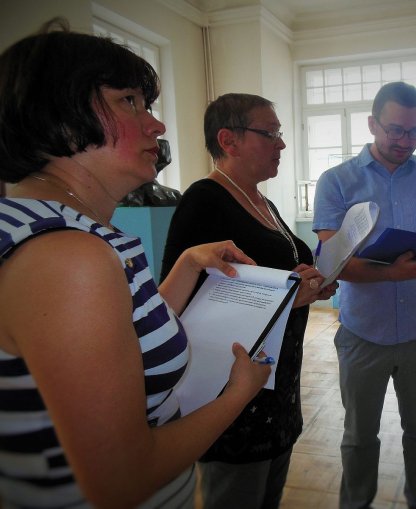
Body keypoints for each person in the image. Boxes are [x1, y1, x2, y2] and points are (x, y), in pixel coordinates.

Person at [0, 20, 272, 509]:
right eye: (129, 102)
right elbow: (121, 480)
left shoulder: (52, 224)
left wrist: (187, 265)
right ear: (60, 115)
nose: (157, 125)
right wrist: (237, 393)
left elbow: (119, 342)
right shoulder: (67, 255)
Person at [160, 93, 338, 509]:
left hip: (276, 383)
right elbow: (186, 305)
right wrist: (289, 297)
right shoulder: (204, 200)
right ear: (229, 140)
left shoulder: (263, 201)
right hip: (233, 389)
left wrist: (310, 285)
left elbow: (277, 273)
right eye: (270, 133)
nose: (282, 143)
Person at [312, 81, 416, 509]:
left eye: (415, 131)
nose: (405, 141)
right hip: (363, 334)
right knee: (359, 437)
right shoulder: (337, 181)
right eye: (395, 130)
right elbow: (330, 263)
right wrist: (391, 273)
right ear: (372, 124)